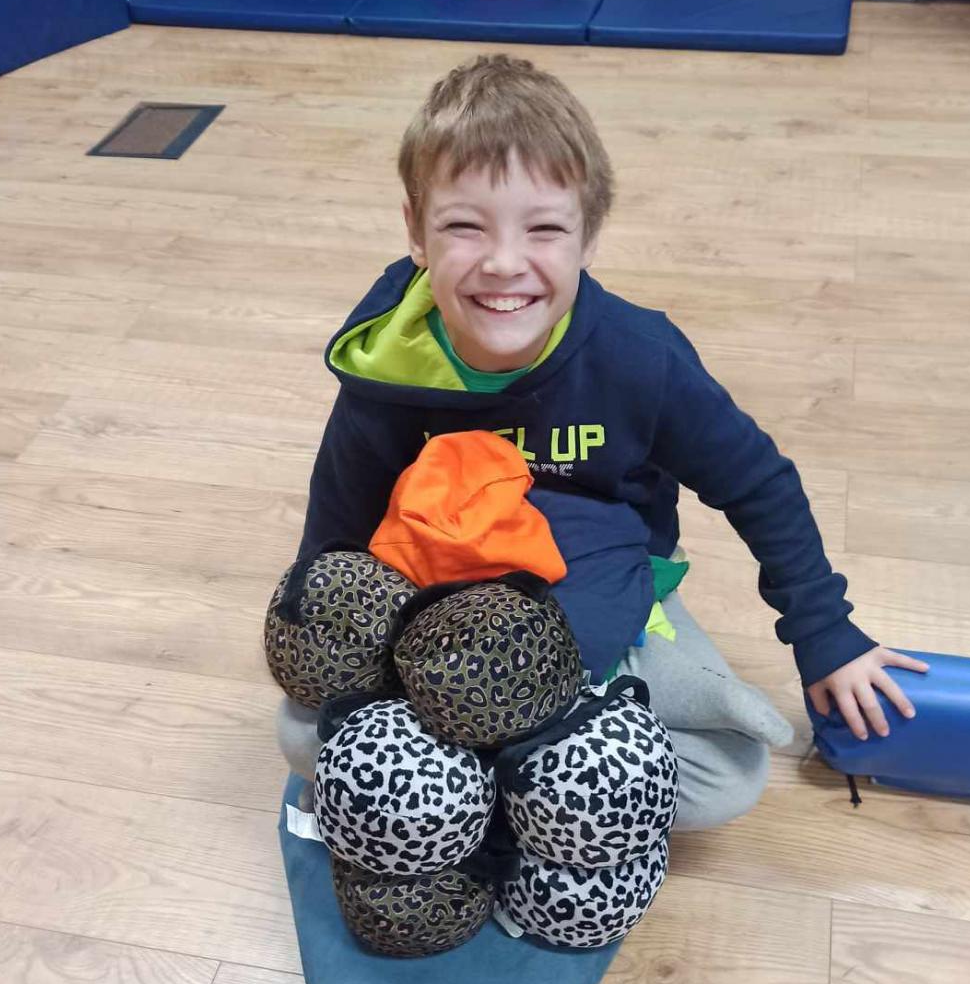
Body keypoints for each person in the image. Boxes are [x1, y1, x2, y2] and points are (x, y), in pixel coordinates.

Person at [280, 53, 926, 828]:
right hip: (439, 613)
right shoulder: (383, 370)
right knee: (298, 732)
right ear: (416, 232)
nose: (504, 263)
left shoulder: (640, 357)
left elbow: (758, 482)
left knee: (729, 779)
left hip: (610, 597)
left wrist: (823, 631)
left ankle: (480, 776)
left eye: (545, 229)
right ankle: (518, 774)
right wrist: (323, 633)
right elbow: (337, 530)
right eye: (464, 227)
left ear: (588, 238)